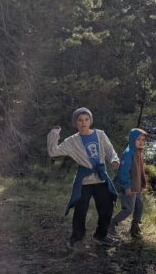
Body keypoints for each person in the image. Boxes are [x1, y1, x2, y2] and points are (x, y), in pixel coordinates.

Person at [47, 107, 120, 251]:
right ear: (76, 123)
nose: (83, 123)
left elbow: (110, 150)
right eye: (80, 120)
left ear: (90, 121)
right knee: (81, 210)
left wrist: (114, 160)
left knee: (107, 207)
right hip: (84, 180)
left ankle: (100, 235)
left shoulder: (100, 134)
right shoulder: (72, 141)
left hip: (100, 177)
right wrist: (55, 133)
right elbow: (53, 152)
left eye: (86, 119)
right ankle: (76, 240)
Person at [110, 128, 148, 239]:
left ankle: (134, 226)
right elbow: (123, 172)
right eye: (138, 139)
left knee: (139, 204)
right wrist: (127, 187)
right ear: (132, 140)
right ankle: (111, 224)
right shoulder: (128, 153)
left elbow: (138, 170)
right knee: (128, 208)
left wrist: (141, 183)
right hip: (128, 185)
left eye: (142, 139)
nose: (141, 142)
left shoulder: (138, 151)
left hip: (136, 184)